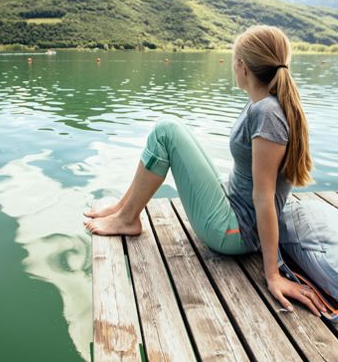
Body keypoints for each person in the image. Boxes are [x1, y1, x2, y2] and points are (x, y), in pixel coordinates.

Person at [83, 25, 326, 318]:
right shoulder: (259, 103)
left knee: (166, 131)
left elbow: (264, 197)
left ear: (242, 66)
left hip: (235, 231)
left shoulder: (267, 114)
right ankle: (124, 208)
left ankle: (127, 218)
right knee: (174, 129)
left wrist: (272, 274)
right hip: (233, 206)